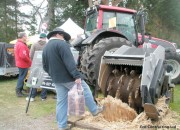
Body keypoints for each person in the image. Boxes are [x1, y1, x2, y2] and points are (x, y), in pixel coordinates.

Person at [42, 27, 104, 130]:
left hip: (57, 79)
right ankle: (94, 110)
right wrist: (76, 75)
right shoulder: (62, 44)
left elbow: (44, 66)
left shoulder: (46, 47)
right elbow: (69, 62)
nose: (64, 38)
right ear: (58, 34)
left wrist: (53, 75)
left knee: (61, 102)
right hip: (68, 78)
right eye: (63, 36)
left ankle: (62, 126)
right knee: (86, 91)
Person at [26, 33, 47, 102]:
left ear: (40, 37)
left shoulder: (34, 44)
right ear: (45, 38)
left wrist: (34, 61)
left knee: (34, 80)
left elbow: (31, 55)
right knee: (44, 80)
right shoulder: (48, 45)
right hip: (45, 65)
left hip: (36, 64)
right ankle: (43, 97)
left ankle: (32, 96)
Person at [14, 32, 32, 97]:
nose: (26, 37)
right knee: (22, 77)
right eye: (26, 36)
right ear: (23, 37)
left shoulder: (18, 43)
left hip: (20, 63)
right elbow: (23, 56)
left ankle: (20, 89)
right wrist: (30, 62)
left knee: (21, 77)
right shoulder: (21, 45)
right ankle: (18, 91)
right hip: (23, 64)